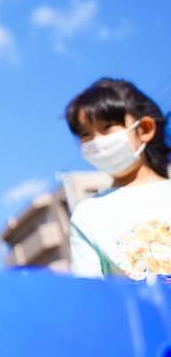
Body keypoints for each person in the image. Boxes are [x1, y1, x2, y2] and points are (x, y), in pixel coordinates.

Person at [65, 78, 171, 280]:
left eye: (107, 127)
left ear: (145, 129)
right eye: (85, 134)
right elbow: (92, 295)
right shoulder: (88, 215)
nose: (97, 141)